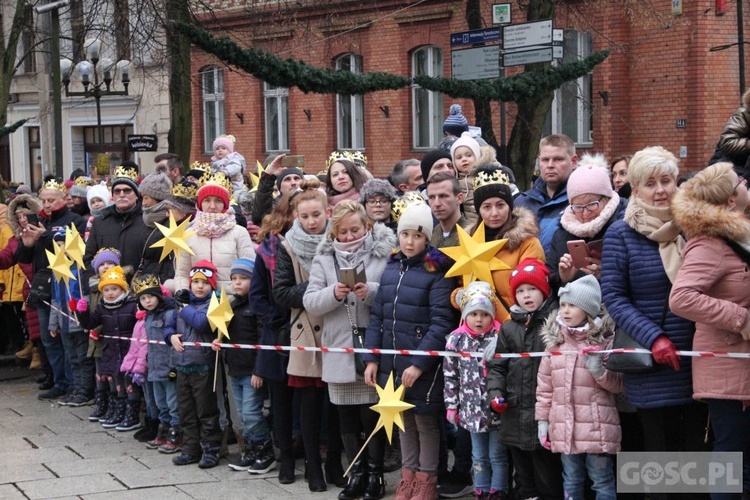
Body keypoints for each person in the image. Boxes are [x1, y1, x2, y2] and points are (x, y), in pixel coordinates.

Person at [600, 146, 707, 483]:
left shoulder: (696, 225)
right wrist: (654, 338)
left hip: (699, 356)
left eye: (667, 180)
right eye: (650, 183)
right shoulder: (621, 232)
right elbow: (615, 298)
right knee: (658, 461)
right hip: (652, 362)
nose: (660, 190)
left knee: (701, 460)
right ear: (634, 187)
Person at [363, 201, 458, 500]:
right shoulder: (391, 269)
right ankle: (408, 478)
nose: (409, 241)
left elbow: (441, 323)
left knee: (425, 421)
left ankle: (427, 480)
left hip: (421, 365)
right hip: (392, 362)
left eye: (417, 236)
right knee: (402, 419)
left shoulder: (438, 271)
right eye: (404, 234)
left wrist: (419, 363)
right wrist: (371, 358)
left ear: (426, 238)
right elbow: (378, 317)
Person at [304, 200, 396, 500]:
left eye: (354, 229)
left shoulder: (382, 255)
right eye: (342, 231)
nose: (348, 236)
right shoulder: (324, 260)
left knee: (372, 415)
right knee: (345, 416)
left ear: (366, 226)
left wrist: (368, 291)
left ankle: (375, 473)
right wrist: (334, 293)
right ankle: (356, 472)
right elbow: (310, 302)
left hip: (372, 348)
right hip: (338, 346)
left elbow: (393, 295)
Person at [669, 162, 750, 497]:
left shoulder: (740, 232)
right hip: (728, 369)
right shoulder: (710, 243)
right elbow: (682, 297)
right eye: (741, 181)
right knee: (731, 463)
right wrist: (741, 319)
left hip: (742, 365)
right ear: (731, 200)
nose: (747, 182)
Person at [536, 275, 622, 500]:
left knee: (602, 481)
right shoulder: (554, 343)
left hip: (598, 428)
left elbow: (618, 385)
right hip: (564, 428)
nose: (565, 310)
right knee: (571, 480)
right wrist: (543, 422)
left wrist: (599, 372)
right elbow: (545, 387)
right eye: (563, 304)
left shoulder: (604, 342)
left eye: (572, 305)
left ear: (588, 309)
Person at [273, 181, 335, 492]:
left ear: (327, 212)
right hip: (306, 332)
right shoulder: (288, 247)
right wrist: (317, 291)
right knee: (309, 402)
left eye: (317, 215)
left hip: (338, 329)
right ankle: (312, 465)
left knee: (338, 402)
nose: (312, 221)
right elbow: (281, 292)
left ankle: (336, 462)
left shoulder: (340, 239)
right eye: (305, 216)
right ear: (296, 216)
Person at [488, 258, 563, 500]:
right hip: (515, 410)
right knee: (522, 477)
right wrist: (496, 394)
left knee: (548, 477)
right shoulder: (508, 328)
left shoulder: (556, 323)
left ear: (544, 290)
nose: (526, 295)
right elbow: (498, 367)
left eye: (532, 289)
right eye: (520, 291)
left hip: (545, 413)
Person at [17, 179, 86, 400]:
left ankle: (73, 383)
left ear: (64, 199)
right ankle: (59, 381)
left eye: (51, 200)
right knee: (48, 338)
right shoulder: (38, 221)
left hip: (67, 285)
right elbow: (24, 258)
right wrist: (26, 244)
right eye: (43, 200)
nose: (46, 205)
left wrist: (44, 236)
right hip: (43, 285)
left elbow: (72, 251)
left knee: (66, 338)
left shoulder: (75, 220)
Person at [443, 281, 508, 499]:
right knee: (478, 455)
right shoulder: (456, 340)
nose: (479, 319)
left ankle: (498, 490)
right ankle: (481, 489)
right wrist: (452, 406)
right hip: (471, 411)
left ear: (492, 316)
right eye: (473, 314)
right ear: (465, 315)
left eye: (484, 314)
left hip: (496, 410)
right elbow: (450, 375)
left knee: (497, 455)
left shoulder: (500, 337)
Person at [249, 190, 297, 483]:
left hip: (309, 332)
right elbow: (257, 295)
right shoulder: (266, 249)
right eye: (294, 211)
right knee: (279, 399)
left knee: (308, 398)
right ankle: (286, 458)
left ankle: (310, 451)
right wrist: (277, 320)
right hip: (277, 331)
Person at [213, 258, 274, 473]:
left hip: (251, 370)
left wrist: (259, 369)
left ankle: (265, 451)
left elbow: (261, 339)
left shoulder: (257, 305)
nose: (237, 283)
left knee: (251, 413)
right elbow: (227, 333)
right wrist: (220, 341)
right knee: (242, 412)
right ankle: (250, 451)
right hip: (235, 367)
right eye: (234, 279)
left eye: (244, 278)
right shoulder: (231, 305)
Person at [167, 260, 223, 468]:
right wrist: (171, 336)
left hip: (202, 365)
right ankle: (191, 448)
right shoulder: (182, 305)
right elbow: (169, 325)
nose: (200, 286)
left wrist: (183, 308)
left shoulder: (212, 305)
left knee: (205, 410)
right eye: (196, 282)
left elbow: (202, 322)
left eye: (205, 283)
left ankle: (211, 449)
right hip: (182, 365)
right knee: (186, 410)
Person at [470, 167, 545, 322]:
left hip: (515, 329)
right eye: (486, 207)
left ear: (509, 206)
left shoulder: (528, 243)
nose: (494, 213)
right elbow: (461, 285)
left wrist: (508, 326)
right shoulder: (469, 244)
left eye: (500, 205)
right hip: (478, 330)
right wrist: (460, 297)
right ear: (479, 211)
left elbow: (532, 291)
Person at [547, 153, 627, 290]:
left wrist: (605, 275)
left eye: (591, 204)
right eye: (578, 207)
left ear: (607, 199)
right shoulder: (561, 234)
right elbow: (547, 283)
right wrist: (562, 279)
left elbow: (639, 277)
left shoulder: (624, 225)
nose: (585, 213)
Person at [75, 266, 139, 430]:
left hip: (128, 350)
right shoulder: (102, 307)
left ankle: (132, 414)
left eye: (114, 289)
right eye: (107, 289)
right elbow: (89, 324)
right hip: (110, 350)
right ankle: (118, 410)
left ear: (122, 289)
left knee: (128, 382)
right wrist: (82, 312)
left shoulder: (131, 305)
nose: (110, 293)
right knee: (116, 381)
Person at [175, 174, 255, 296]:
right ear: (200, 204)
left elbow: (250, 269)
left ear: (225, 204)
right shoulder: (189, 234)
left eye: (218, 201)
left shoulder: (239, 232)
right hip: (199, 301)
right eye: (207, 200)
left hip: (232, 299)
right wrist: (182, 292)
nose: (212, 206)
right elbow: (182, 272)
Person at [131, 275, 181, 454]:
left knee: (173, 402)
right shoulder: (147, 317)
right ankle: (164, 428)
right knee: (161, 403)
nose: (147, 301)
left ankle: (176, 431)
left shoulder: (169, 313)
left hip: (168, 367)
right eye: (143, 298)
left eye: (150, 297)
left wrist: (173, 366)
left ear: (158, 296)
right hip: (154, 368)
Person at [83, 166, 152, 285]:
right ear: (112, 196)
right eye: (117, 191)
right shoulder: (100, 222)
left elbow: (153, 259)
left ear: (136, 195)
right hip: (108, 289)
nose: (121, 194)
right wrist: (96, 284)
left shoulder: (148, 221)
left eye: (127, 190)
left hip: (141, 290)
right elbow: (89, 258)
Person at [515, 134, 578, 253]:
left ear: (574, 161)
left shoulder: (583, 201)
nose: (550, 165)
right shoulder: (521, 202)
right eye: (545, 160)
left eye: (558, 159)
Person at [426, 173, 467, 249]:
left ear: (459, 198)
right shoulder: (431, 234)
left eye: (443, 196)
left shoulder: (472, 232)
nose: (436, 203)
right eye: (431, 197)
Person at [211, 135, 247, 201]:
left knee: (236, 198)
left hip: (235, 186)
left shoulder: (233, 158)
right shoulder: (215, 162)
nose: (220, 150)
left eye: (223, 148)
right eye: (217, 149)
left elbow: (235, 167)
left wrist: (225, 172)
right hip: (222, 186)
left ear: (229, 150)